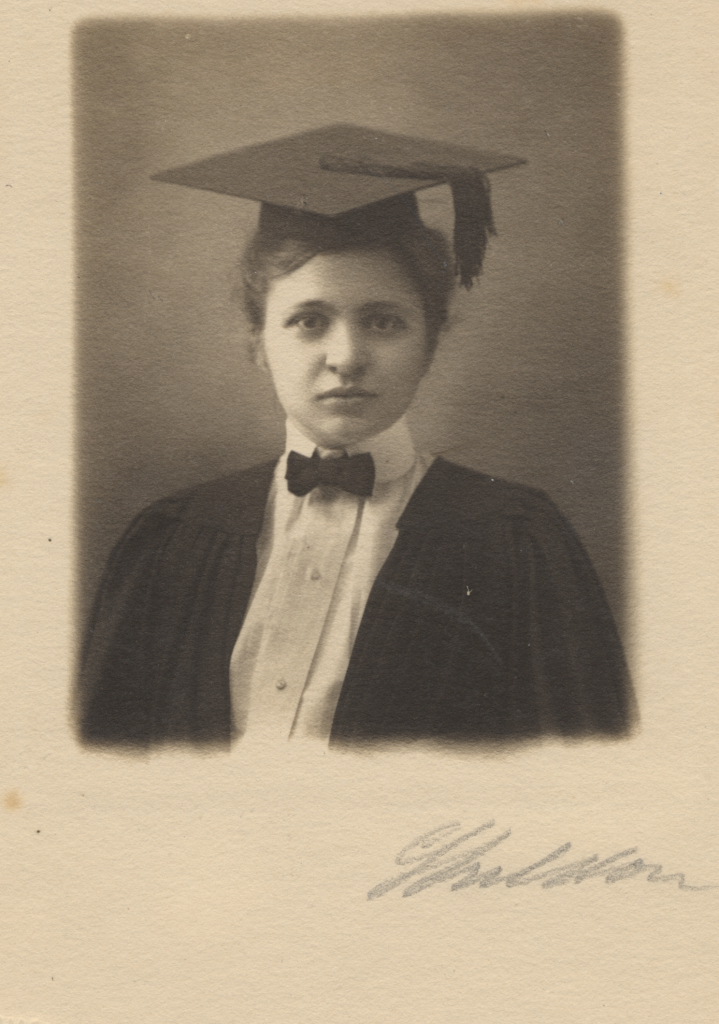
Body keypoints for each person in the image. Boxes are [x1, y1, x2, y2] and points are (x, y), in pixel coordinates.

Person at [79, 125, 635, 748]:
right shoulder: (175, 541)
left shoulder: (514, 540)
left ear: (430, 342)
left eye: (383, 321)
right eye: (309, 321)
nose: (346, 356)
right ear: (257, 344)